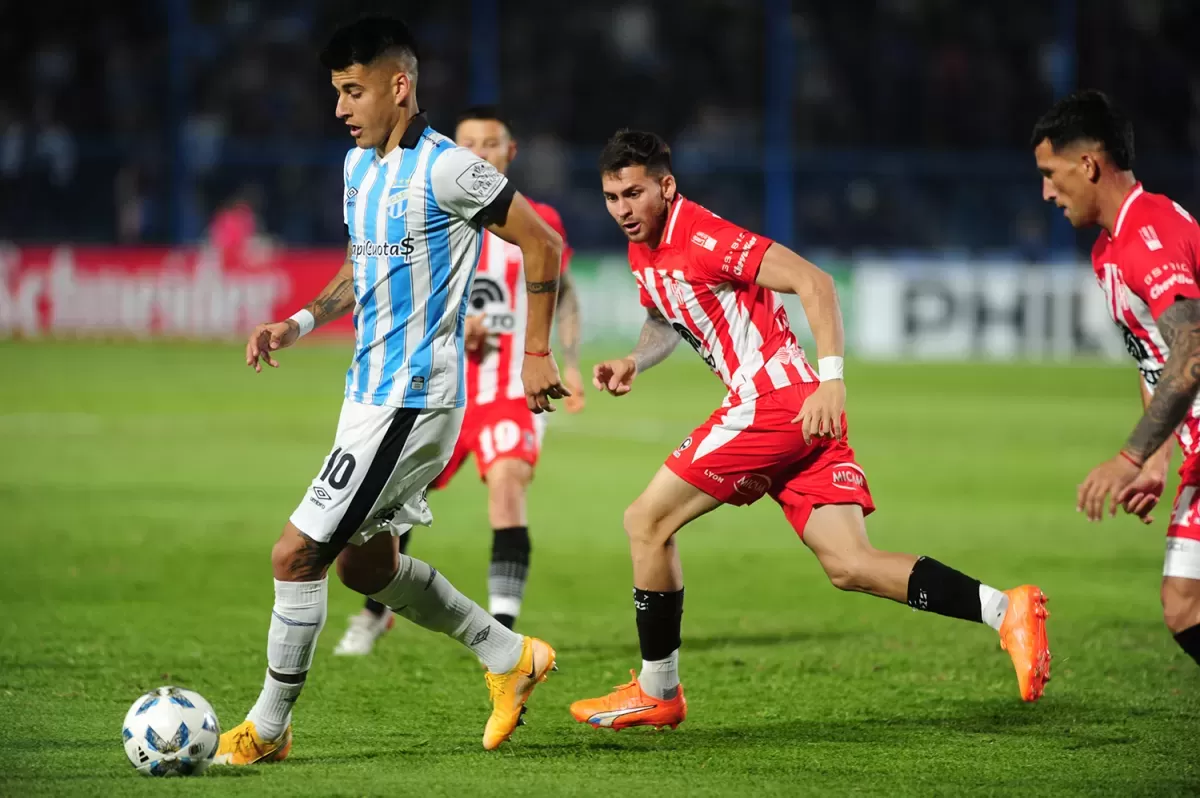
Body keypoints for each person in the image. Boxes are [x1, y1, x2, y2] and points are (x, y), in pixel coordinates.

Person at [569, 130, 1051, 731]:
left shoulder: (704, 236)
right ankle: (1006, 610)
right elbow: (667, 317)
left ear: (666, 186)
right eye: (612, 196)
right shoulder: (646, 246)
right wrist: (634, 361)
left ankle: (657, 690)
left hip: (775, 402)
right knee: (851, 563)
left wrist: (833, 379)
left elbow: (814, 282)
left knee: (646, 521)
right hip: (798, 415)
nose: (622, 209)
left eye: (634, 193)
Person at [214, 16, 568, 762]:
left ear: (398, 87)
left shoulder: (448, 168)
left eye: (353, 91)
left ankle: (267, 731)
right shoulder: (358, 168)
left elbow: (543, 242)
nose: (340, 108)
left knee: (295, 555)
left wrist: (535, 351)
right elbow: (363, 269)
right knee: (364, 566)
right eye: (336, 93)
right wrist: (301, 320)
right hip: (366, 395)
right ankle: (509, 656)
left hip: (412, 399)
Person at [334, 106, 584, 655]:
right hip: (439, 386)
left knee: (508, 488)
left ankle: (504, 627)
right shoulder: (435, 209)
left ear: (509, 152)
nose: (479, 153)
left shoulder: (534, 219)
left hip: (508, 392)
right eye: (468, 143)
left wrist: (568, 358)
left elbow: (562, 290)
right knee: (398, 500)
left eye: (491, 144)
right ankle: (375, 613)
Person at [1033, 89, 1200, 667]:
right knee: (1184, 606)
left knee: (1186, 605)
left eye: (1052, 174)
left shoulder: (1148, 236)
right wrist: (1156, 458)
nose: (1047, 192)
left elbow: (1191, 351)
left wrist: (1128, 457)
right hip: (1194, 447)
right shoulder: (1109, 248)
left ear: (1088, 164)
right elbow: (1153, 358)